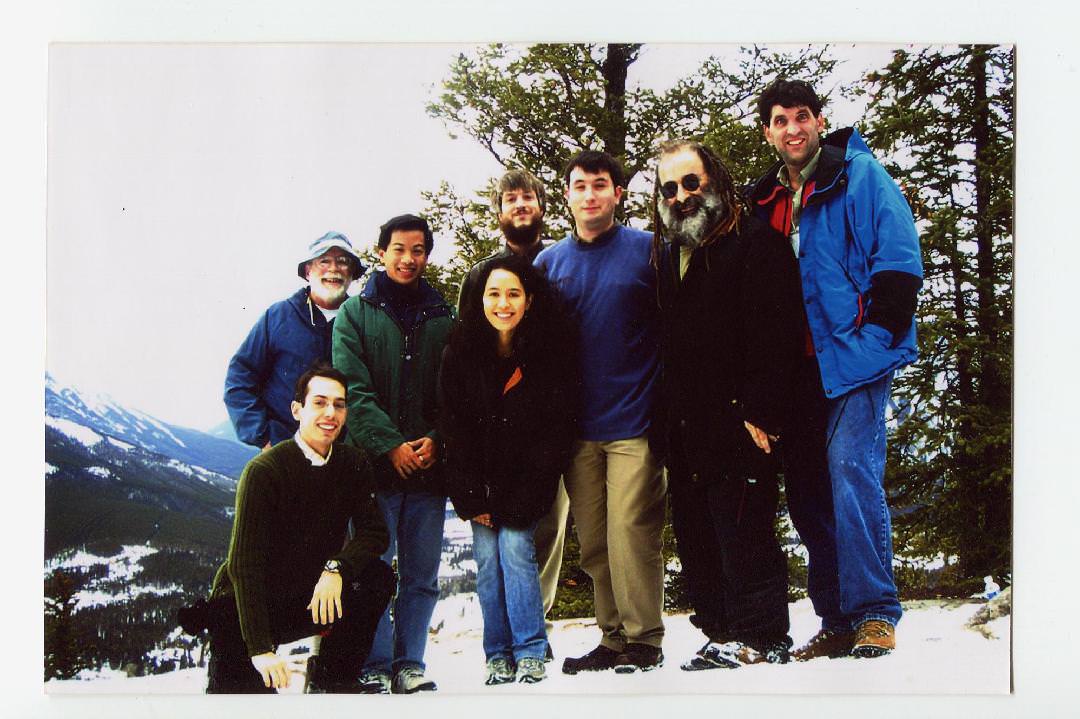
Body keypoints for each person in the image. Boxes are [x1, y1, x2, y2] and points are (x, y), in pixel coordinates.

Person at [747, 79, 923, 659]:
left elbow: (898, 258)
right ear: (768, 132)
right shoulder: (766, 200)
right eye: (780, 120)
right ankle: (836, 619)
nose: (792, 128)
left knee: (851, 470)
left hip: (855, 358)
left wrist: (876, 337)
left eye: (802, 116)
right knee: (808, 493)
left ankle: (874, 612)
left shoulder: (858, 175)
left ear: (820, 121)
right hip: (798, 369)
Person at [651, 140, 804, 669]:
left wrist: (761, 410)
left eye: (691, 182)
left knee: (744, 529)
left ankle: (761, 636)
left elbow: (778, 334)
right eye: (670, 188)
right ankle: (721, 631)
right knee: (698, 533)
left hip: (740, 419)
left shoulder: (756, 243)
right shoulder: (670, 254)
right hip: (687, 424)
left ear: (714, 180)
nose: (681, 196)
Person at [178, 363, 393, 694]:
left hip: (311, 594)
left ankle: (332, 680)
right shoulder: (265, 471)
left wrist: (337, 569)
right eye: (319, 402)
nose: (330, 413)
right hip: (247, 606)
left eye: (338, 405)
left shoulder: (353, 464)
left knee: (376, 578)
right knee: (241, 702)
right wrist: (261, 649)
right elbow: (244, 566)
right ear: (297, 410)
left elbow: (374, 533)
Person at [534, 150, 666, 674]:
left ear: (617, 193)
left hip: (635, 420)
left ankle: (645, 638)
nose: (590, 194)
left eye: (600, 185)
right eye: (580, 186)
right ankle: (613, 639)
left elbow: (676, 326)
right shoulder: (549, 265)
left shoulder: (648, 250)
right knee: (593, 541)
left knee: (631, 531)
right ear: (567, 196)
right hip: (577, 428)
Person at [440, 254, 579, 686]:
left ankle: (531, 649)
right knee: (487, 561)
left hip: (526, 482)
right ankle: (497, 653)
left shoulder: (546, 353)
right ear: (480, 299)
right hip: (479, 484)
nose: (504, 304)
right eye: (494, 294)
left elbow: (555, 430)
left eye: (513, 294)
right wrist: (471, 495)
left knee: (516, 548)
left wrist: (528, 494)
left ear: (529, 300)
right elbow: (454, 429)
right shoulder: (460, 352)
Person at [332, 213, 454, 693]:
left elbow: (455, 392)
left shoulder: (443, 316)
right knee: (373, 571)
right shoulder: (355, 314)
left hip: (428, 470)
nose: (408, 259)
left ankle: (410, 664)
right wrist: (390, 445)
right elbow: (352, 388)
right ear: (381, 252)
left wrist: (437, 439)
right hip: (372, 470)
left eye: (418, 250)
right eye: (398, 249)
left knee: (421, 576)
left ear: (427, 255)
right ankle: (376, 664)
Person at [457, 169, 570, 654]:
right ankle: (507, 639)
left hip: (546, 427)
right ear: (499, 212)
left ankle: (533, 625)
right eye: (510, 199)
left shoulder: (559, 263)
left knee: (547, 528)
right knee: (499, 542)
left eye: (528, 197)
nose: (520, 205)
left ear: (542, 206)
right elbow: (466, 350)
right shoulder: (481, 275)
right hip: (495, 431)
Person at [224, 231, 363, 450]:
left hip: (346, 454)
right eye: (324, 261)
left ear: (352, 272)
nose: (334, 269)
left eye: (343, 262)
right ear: (308, 271)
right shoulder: (278, 316)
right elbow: (239, 377)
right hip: (284, 449)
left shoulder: (362, 320)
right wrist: (263, 437)